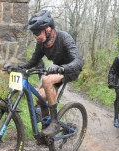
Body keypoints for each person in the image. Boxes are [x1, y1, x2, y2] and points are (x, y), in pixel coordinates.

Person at [20, 10, 83, 138]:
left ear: (48, 29)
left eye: (37, 32)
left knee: (47, 80)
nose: (35, 36)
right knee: (40, 98)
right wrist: (18, 67)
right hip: (57, 70)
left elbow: (78, 61)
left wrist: (63, 68)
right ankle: (45, 130)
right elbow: (34, 60)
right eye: (33, 33)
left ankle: (54, 123)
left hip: (70, 70)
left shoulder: (64, 37)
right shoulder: (41, 44)